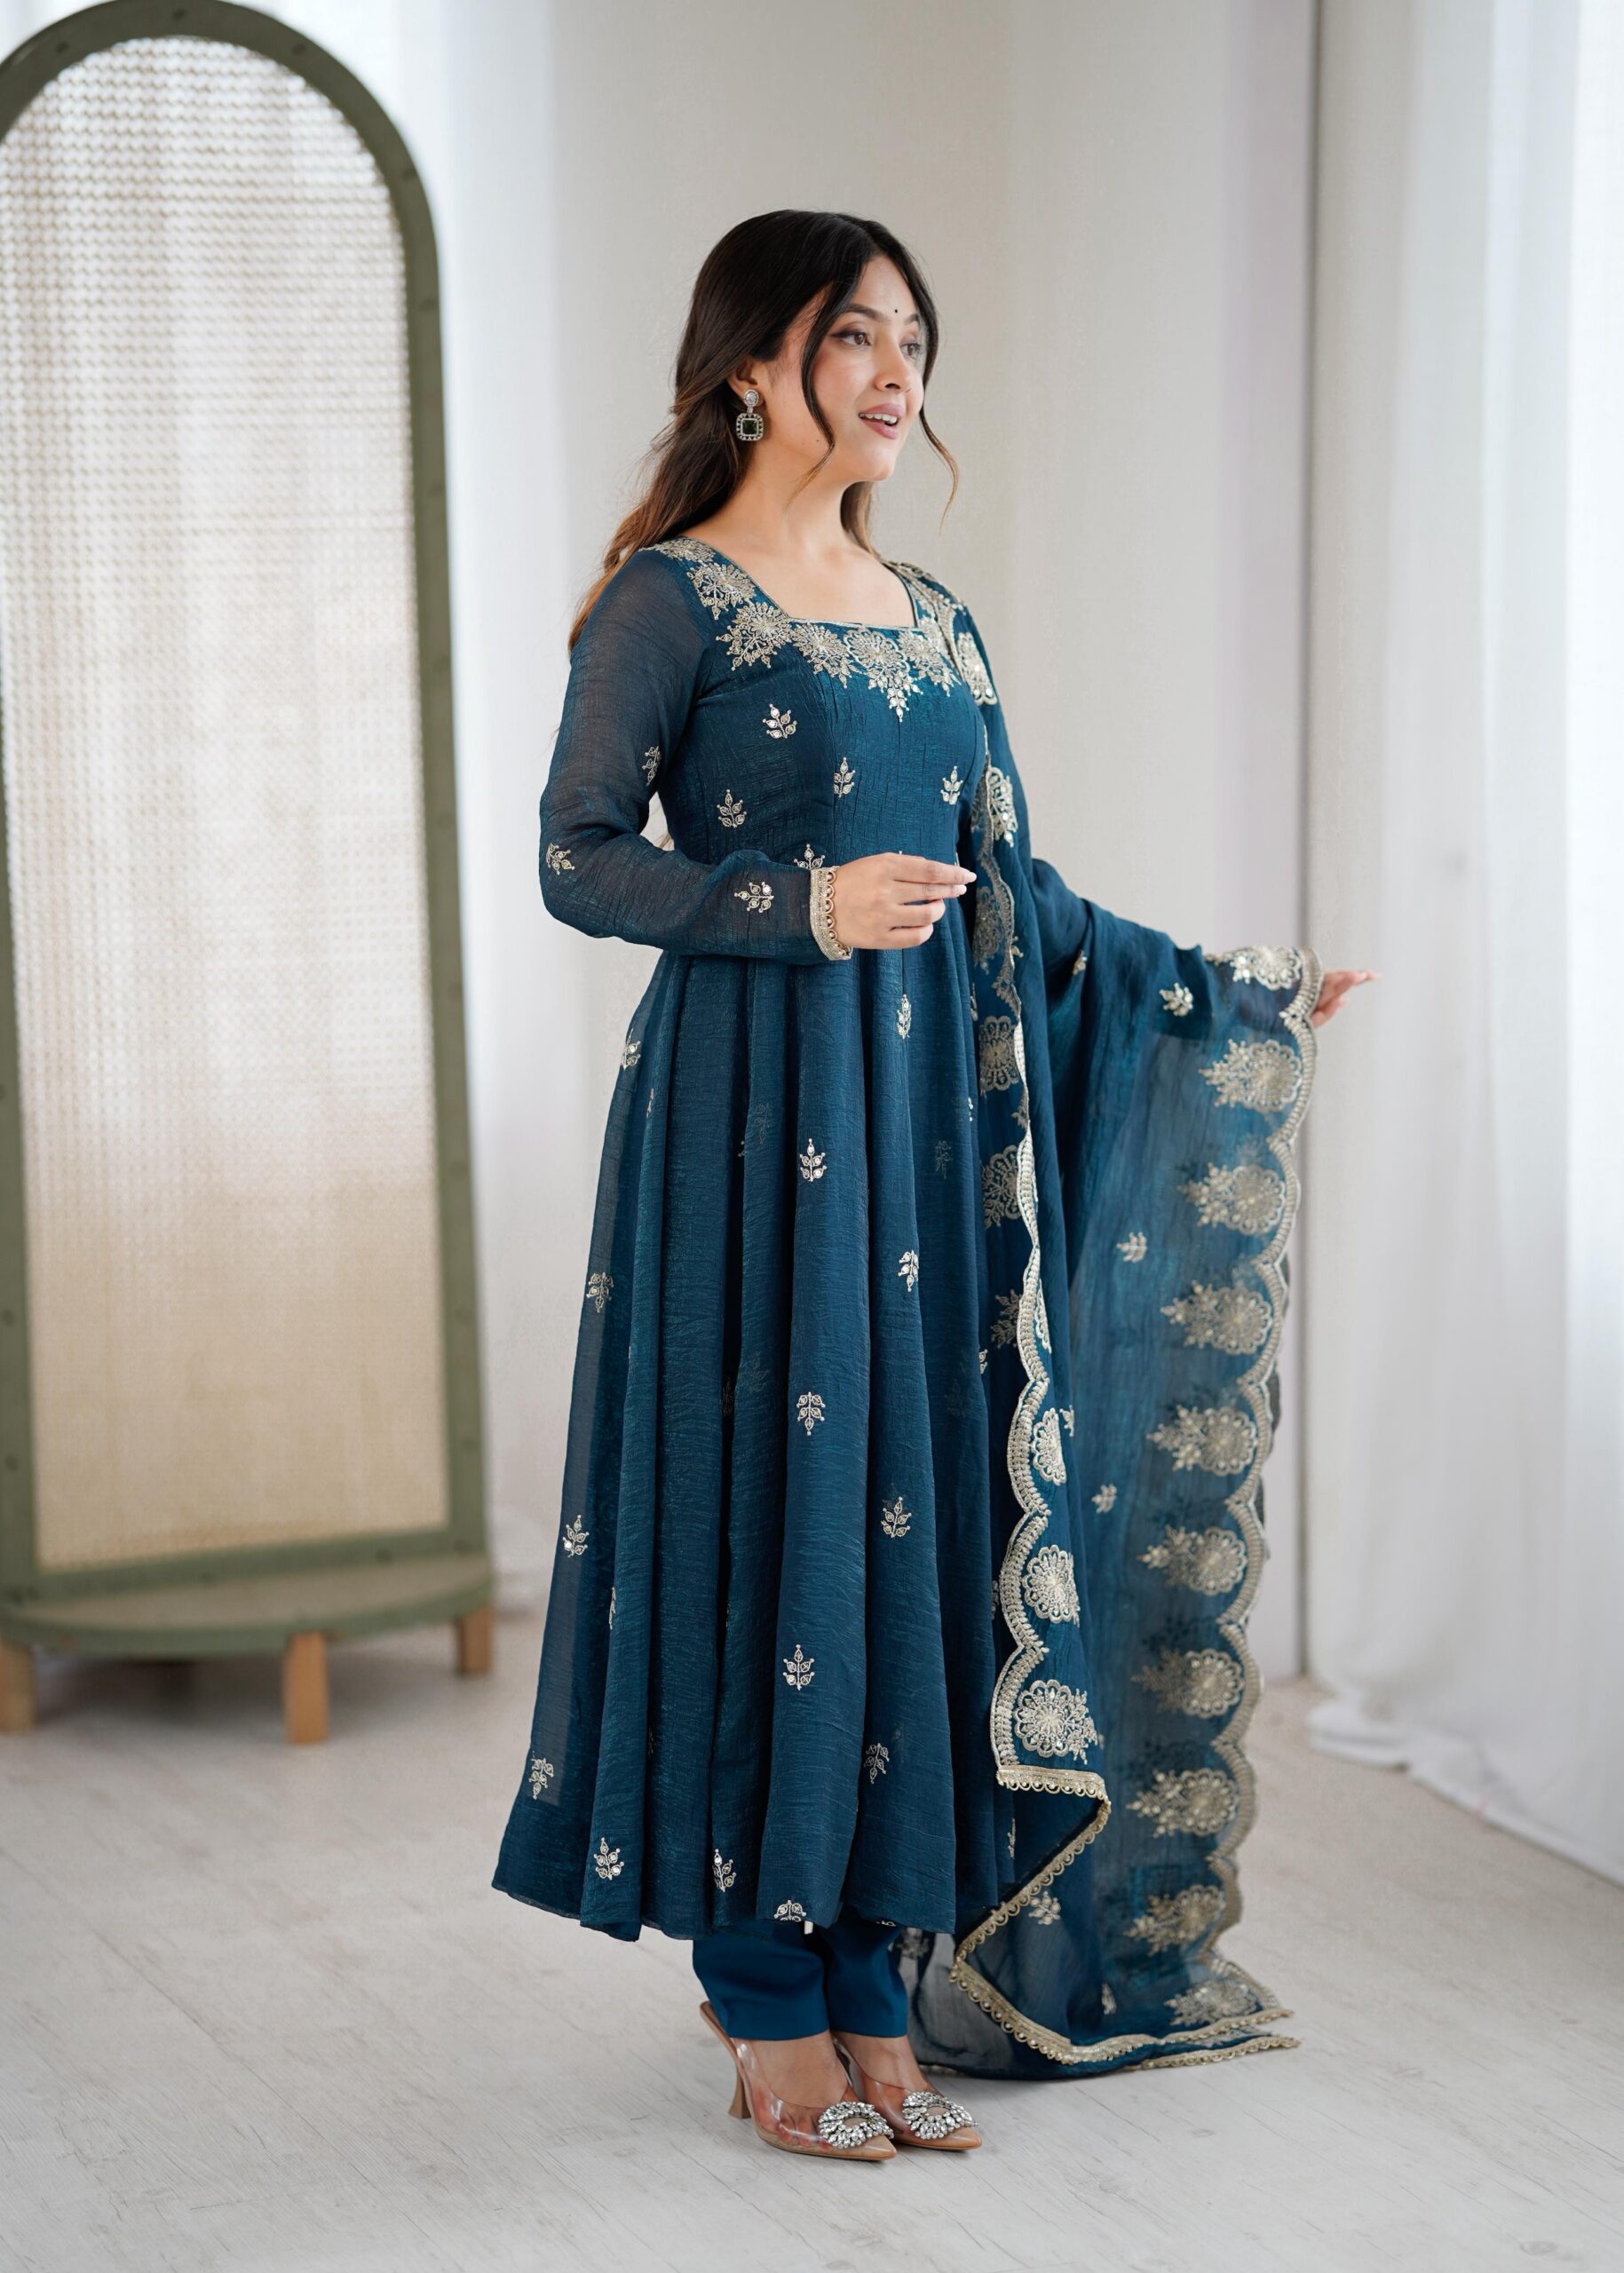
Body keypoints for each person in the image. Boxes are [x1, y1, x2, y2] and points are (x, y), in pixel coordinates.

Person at [491, 208, 1373, 2161]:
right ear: (752, 366)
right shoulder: (670, 603)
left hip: (919, 1143)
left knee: (911, 1518)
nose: (899, 376)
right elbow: (575, 854)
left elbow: (1008, 892)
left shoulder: (937, 618)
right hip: (746, 1130)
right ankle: (763, 1988)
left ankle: (876, 1972)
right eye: (857, 337)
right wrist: (796, 906)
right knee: (769, 1516)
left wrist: (1223, 986)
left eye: (914, 341)